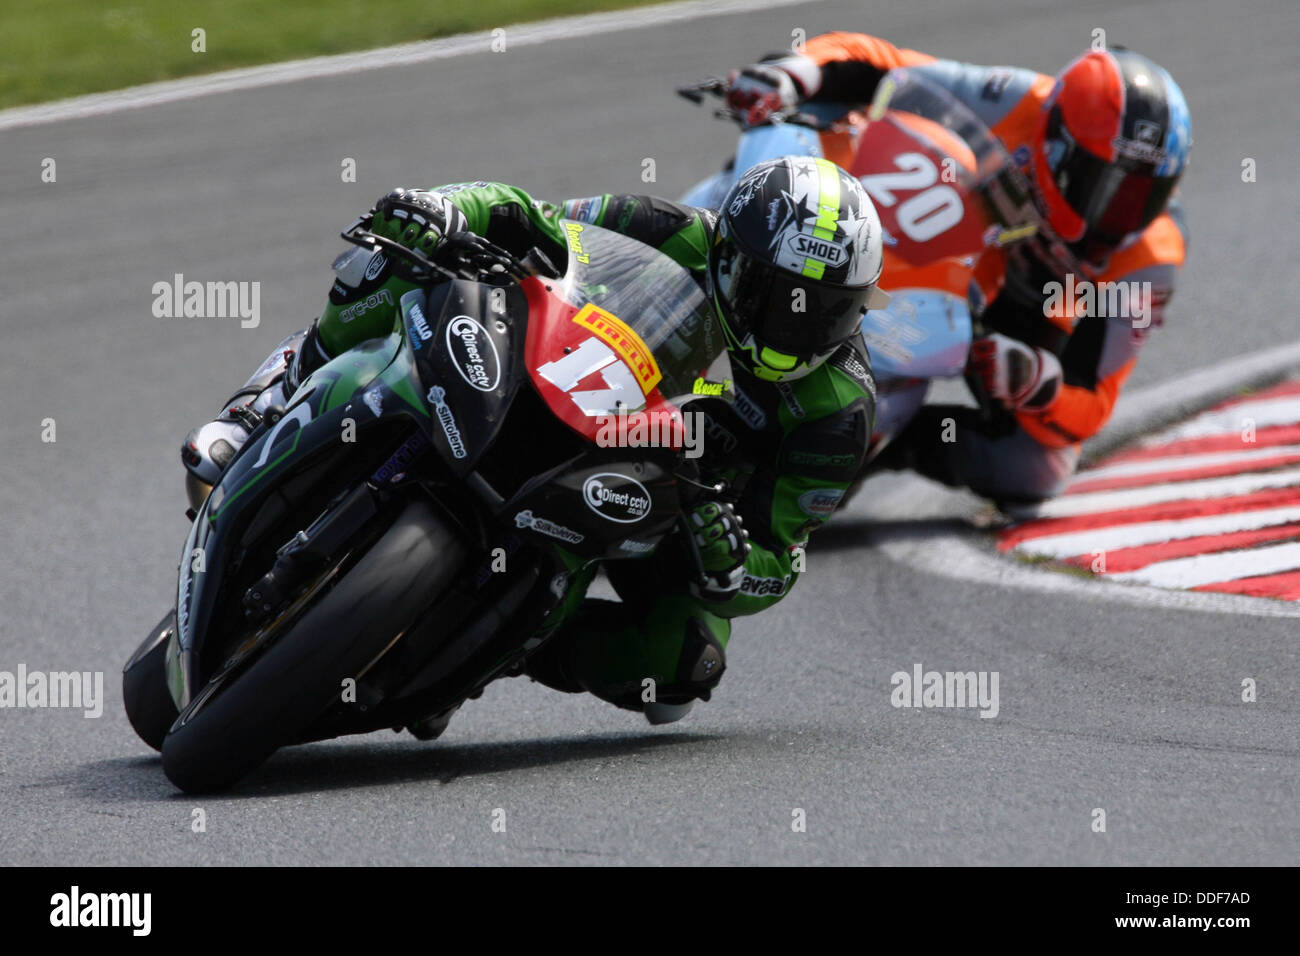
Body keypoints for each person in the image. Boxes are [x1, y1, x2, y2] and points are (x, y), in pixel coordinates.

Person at [181, 156, 885, 727]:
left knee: (678, 672)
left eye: (827, 311)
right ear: (734, 259)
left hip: (667, 507)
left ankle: (504, 648)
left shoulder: (836, 417)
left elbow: (782, 560)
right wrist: (451, 210)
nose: (797, 326)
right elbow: (530, 217)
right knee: (405, 256)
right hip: (557, 379)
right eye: (782, 295)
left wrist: (733, 563)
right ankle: (259, 405)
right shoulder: (667, 227)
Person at [727, 35, 1192, 502]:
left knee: (1037, 467)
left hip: (1012, 322)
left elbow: (1091, 399)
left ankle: (886, 444)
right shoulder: (1021, 101)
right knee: (823, 117)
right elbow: (885, 65)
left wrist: (1039, 381)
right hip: (928, 233)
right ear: (1056, 147)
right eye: (1105, 188)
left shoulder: (1151, 261)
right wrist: (795, 73)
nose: (1122, 218)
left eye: (1143, 196)